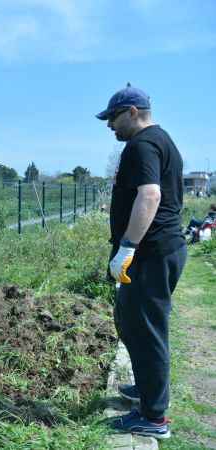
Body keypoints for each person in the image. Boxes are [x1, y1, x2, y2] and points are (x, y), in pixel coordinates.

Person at [97, 84, 187, 439]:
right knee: (134, 324)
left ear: (132, 112)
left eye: (113, 118)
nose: (109, 126)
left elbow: (150, 194)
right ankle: (149, 390)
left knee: (146, 331)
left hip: (150, 253)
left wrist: (128, 246)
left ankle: (153, 417)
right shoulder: (161, 140)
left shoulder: (143, 144)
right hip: (159, 251)